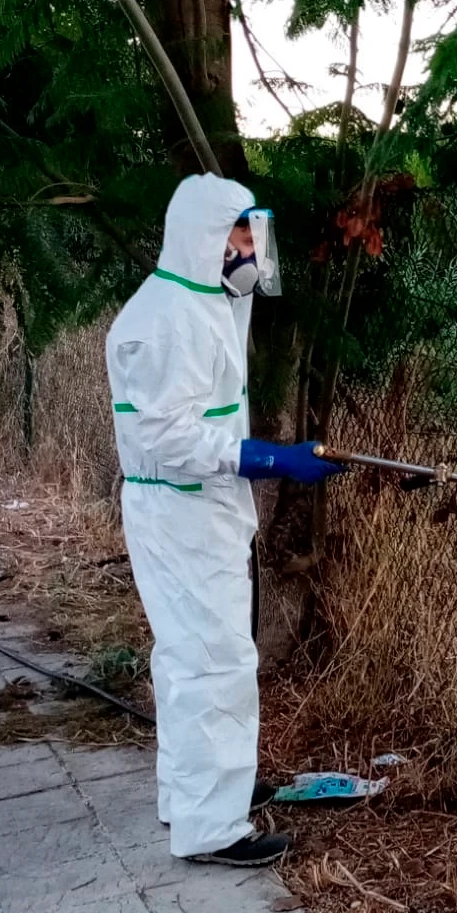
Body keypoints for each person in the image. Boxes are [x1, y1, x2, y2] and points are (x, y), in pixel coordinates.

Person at [105, 173, 344, 866]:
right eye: (242, 231)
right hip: (180, 513)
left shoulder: (201, 303)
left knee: (189, 657)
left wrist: (261, 460)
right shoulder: (167, 319)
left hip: (191, 512)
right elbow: (167, 439)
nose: (251, 247)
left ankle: (201, 794)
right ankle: (214, 826)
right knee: (215, 661)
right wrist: (266, 459)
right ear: (205, 235)